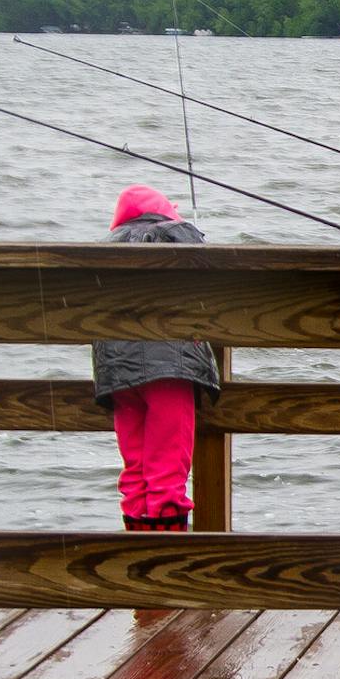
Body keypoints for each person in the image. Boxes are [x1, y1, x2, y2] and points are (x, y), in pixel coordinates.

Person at [91, 185, 220, 531]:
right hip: (169, 372)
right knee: (168, 469)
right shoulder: (174, 235)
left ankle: (135, 545)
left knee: (134, 468)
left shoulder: (104, 248)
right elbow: (208, 268)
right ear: (164, 213)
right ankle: (168, 550)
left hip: (119, 376)